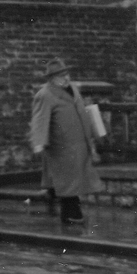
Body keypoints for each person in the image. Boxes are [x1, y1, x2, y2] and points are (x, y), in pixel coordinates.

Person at [29, 58, 103, 224]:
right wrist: (39, 142)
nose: (66, 78)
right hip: (61, 147)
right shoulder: (45, 95)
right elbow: (40, 120)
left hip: (79, 144)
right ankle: (72, 215)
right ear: (51, 78)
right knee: (69, 183)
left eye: (67, 74)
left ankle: (56, 198)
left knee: (72, 182)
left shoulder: (72, 89)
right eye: (61, 76)